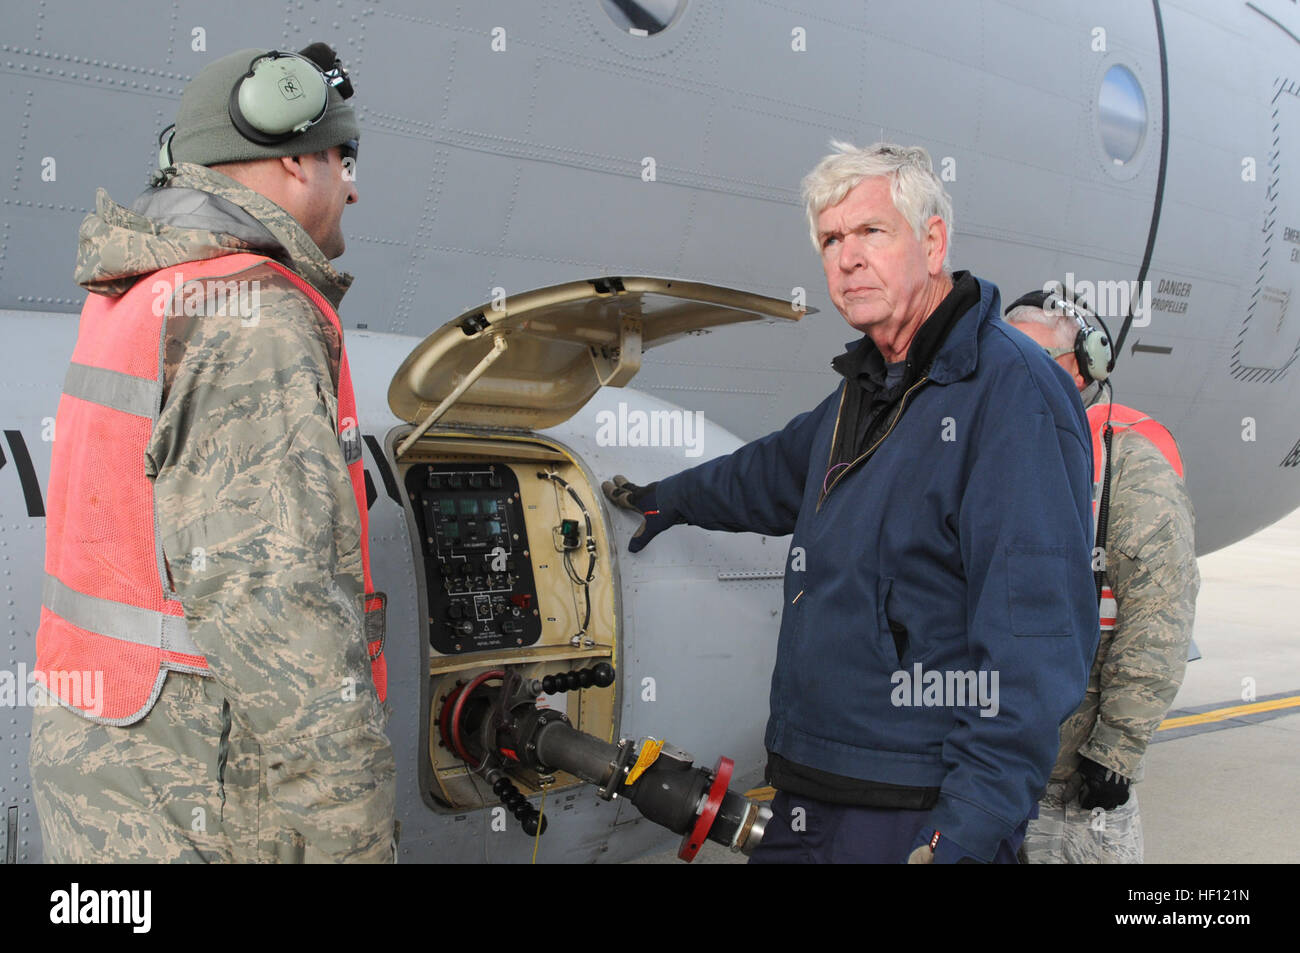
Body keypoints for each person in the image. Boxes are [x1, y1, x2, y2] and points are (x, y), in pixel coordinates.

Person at [603, 142, 1098, 863]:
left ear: (932, 243)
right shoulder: (866, 389)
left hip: (912, 808)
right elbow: (769, 473)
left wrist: (965, 828)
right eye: (832, 239)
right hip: (810, 787)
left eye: (872, 232)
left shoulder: (1012, 393)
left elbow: (1035, 644)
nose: (847, 257)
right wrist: (665, 499)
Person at [30, 44, 396, 862]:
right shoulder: (251, 319)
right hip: (204, 801)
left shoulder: (141, 287)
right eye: (344, 157)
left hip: (106, 784)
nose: (353, 186)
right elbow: (280, 615)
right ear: (297, 155)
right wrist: (356, 842)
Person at [1005, 289, 1198, 863]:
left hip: (1075, 797)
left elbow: (1158, 616)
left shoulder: (1129, 475)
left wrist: (1115, 752)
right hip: (989, 774)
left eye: (1041, 361)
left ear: (1087, 369)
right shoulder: (987, 455)